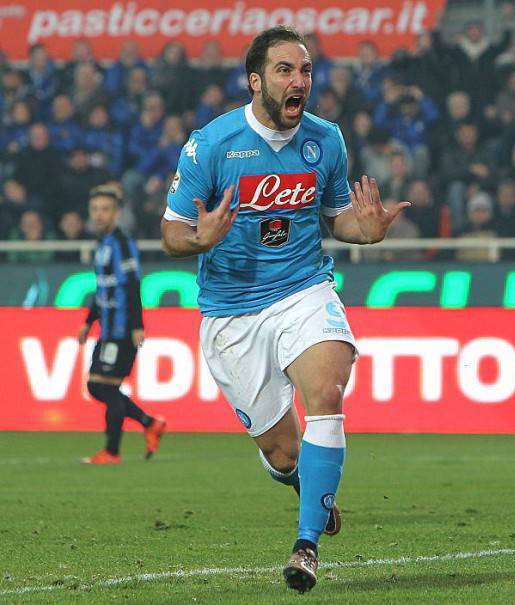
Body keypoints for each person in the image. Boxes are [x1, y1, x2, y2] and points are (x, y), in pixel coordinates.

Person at [160, 26, 408, 593]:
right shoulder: (212, 145)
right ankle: (303, 481)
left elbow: (337, 215)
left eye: (305, 72)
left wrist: (362, 232)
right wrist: (200, 239)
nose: (299, 81)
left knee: (326, 392)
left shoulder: (326, 140)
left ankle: (306, 546)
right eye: (285, 71)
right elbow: (171, 231)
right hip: (232, 312)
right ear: (256, 81)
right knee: (281, 451)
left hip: (303, 290)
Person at [78, 185, 166, 464]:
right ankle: (149, 422)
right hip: (106, 328)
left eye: (105, 209)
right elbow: (103, 289)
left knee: (104, 387)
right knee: (98, 386)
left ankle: (112, 451)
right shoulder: (102, 245)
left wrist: (136, 325)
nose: (99, 215)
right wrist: (88, 321)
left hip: (122, 329)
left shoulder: (122, 244)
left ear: (116, 213)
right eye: (95, 210)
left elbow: (131, 285)